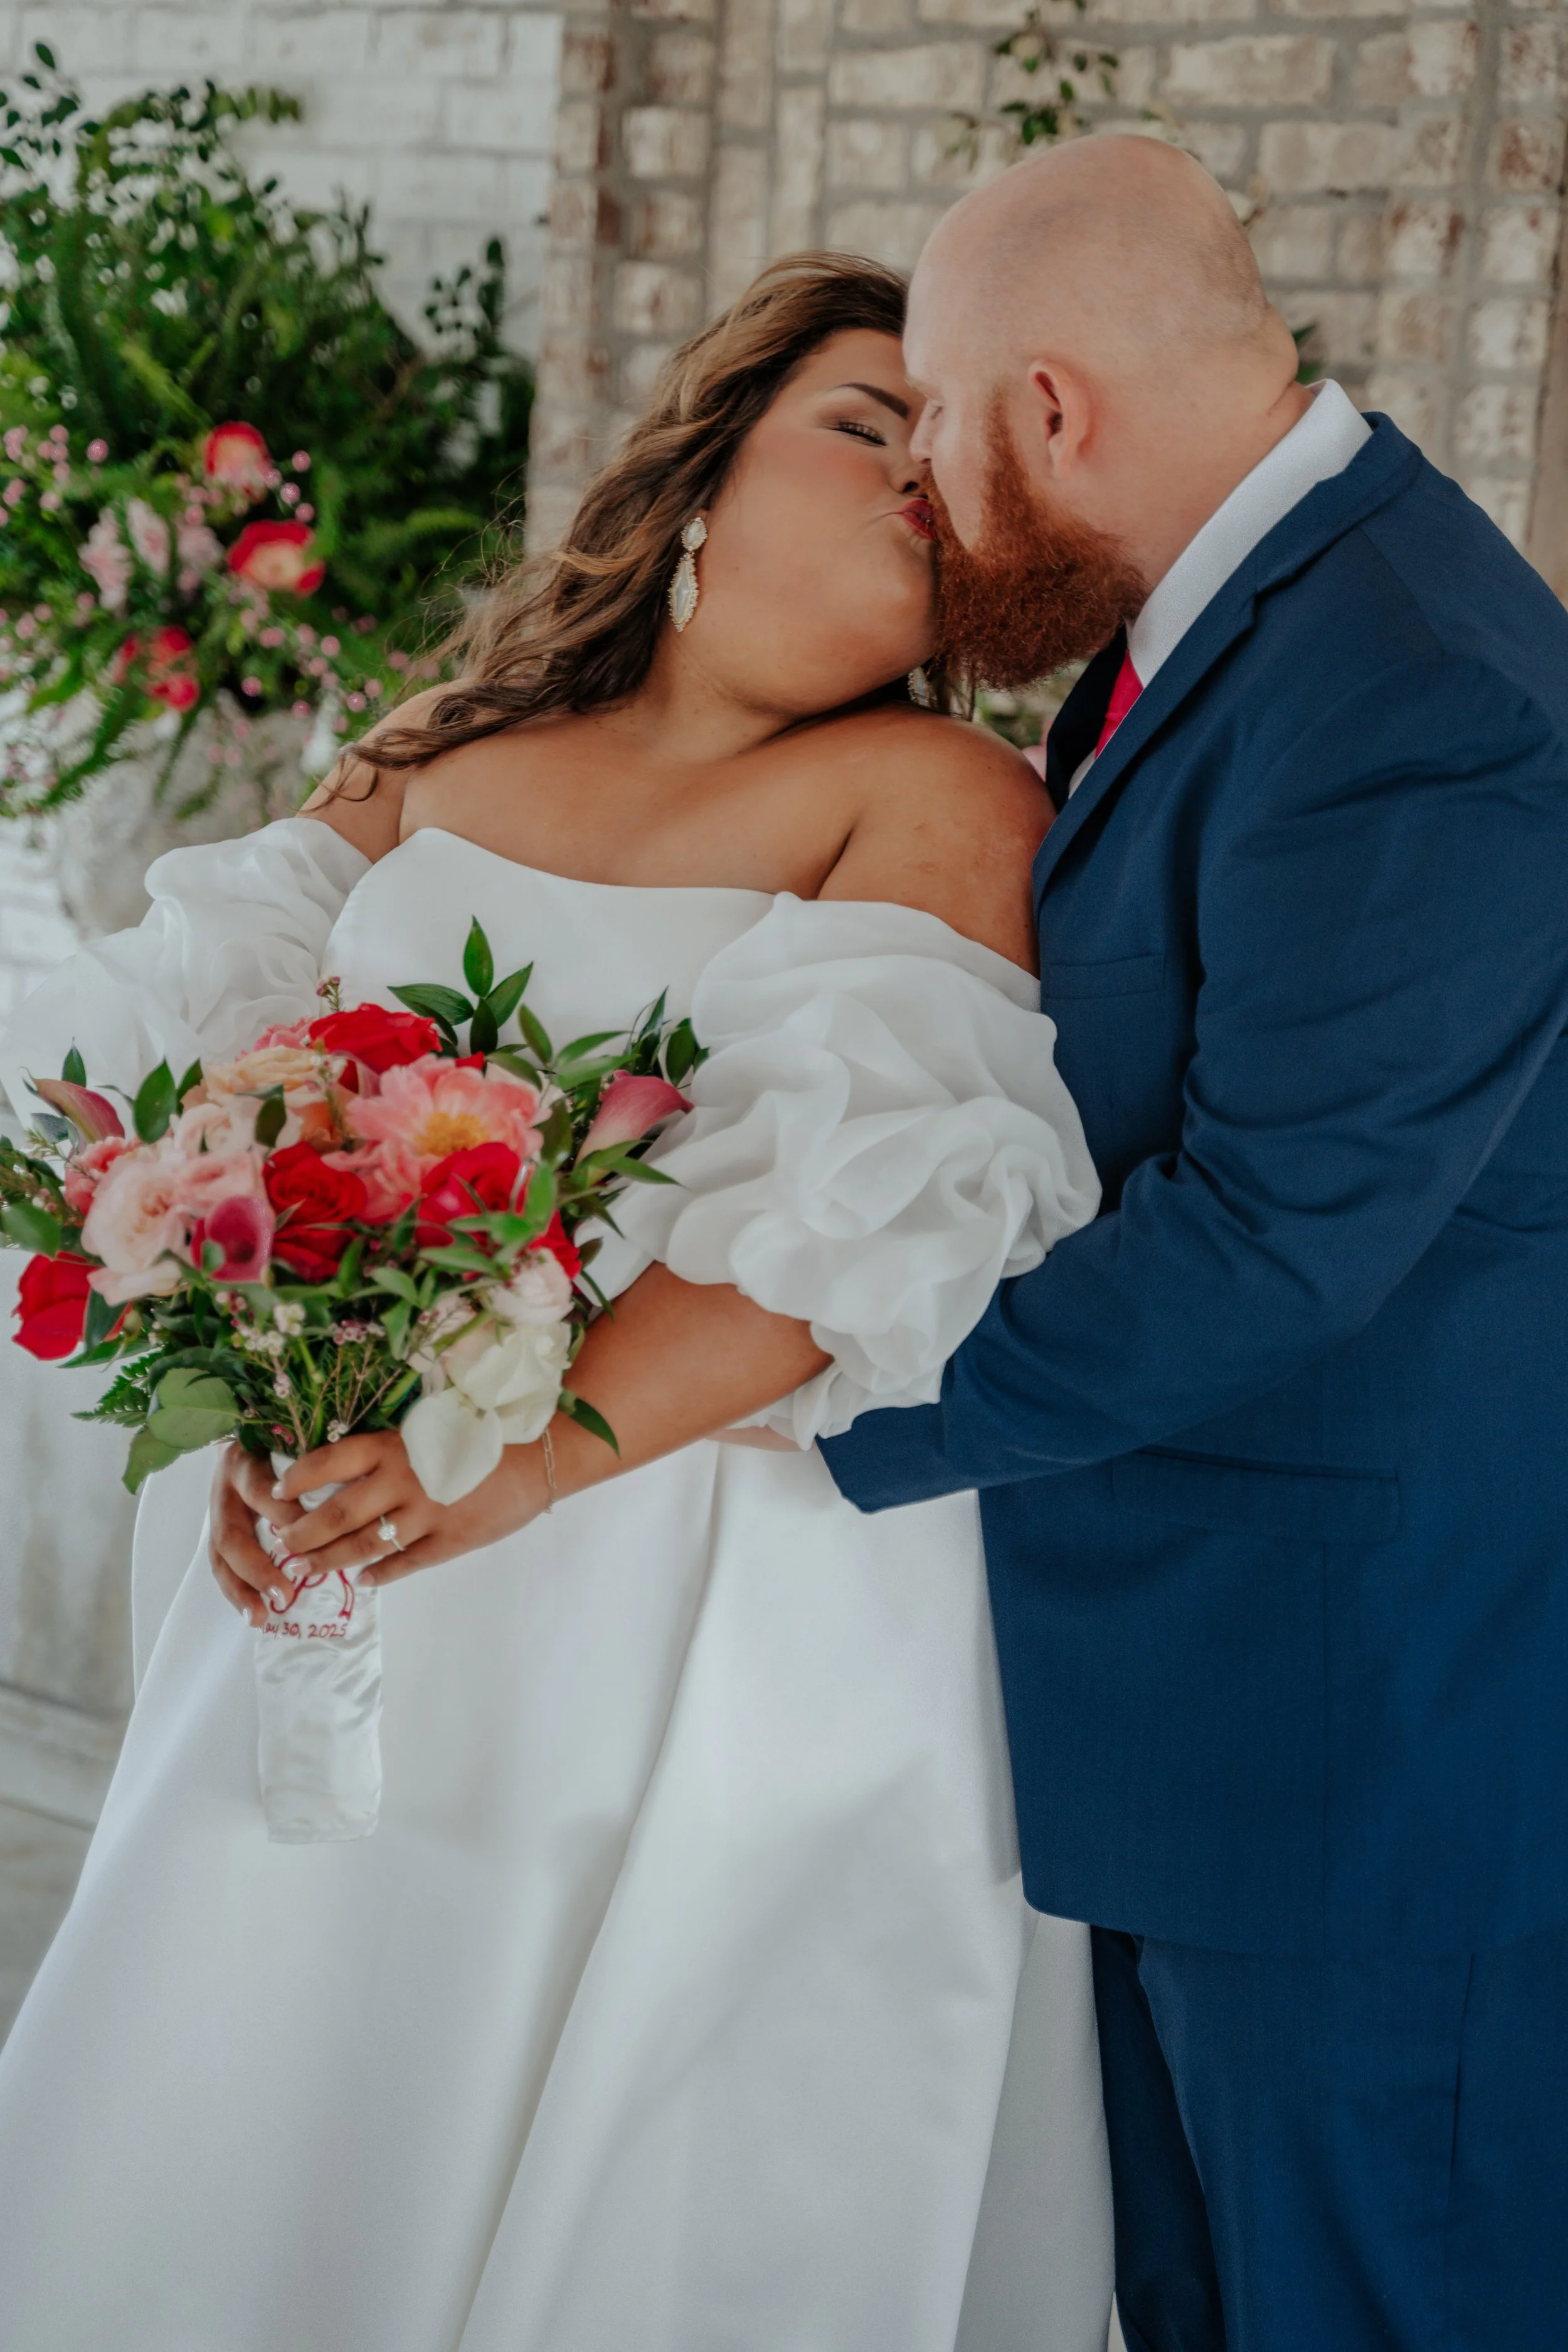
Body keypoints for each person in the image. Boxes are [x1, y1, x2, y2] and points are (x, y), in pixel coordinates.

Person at [266, 137, 1568, 2346]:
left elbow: (1270, 1240)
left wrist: (766, 1397)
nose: (932, 505)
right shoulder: (1238, 631)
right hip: (1192, 1713)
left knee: (1370, 2290)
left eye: (936, 428)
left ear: (1046, 410)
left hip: (1353, 1753)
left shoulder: (1410, 680)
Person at [0, 256, 1115, 2352]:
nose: (907, 478)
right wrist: (267, 1400)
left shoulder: (942, 800)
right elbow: (192, 1103)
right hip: (369, 1522)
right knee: (280, 2059)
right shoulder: (447, 753)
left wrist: (517, 1471)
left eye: (944, 462)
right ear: (701, 481)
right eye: (859, 423)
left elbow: (859, 1229)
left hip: (695, 1557)